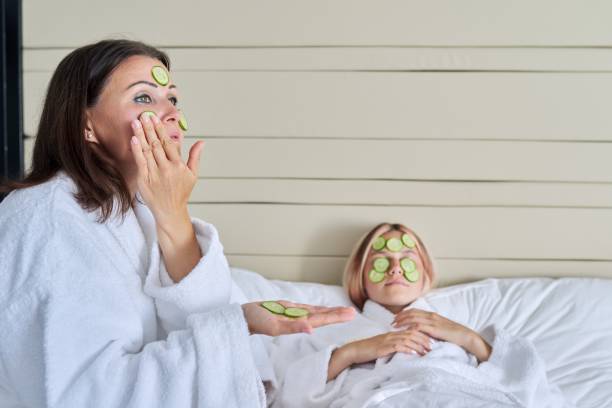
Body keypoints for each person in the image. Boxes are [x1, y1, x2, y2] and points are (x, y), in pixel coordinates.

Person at [0, 39, 354, 408]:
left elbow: (209, 324)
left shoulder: (136, 207)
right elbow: (84, 394)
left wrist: (174, 215)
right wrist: (239, 324)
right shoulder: (47, 219)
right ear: (85, 124)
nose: (170, 113)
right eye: (143, 98)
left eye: (172, 98)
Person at [269, 223, 571, 407]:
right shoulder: (336, 331)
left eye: (407, 259)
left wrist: (467, 338)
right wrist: (355, 352)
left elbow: (535, 389)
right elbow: (288, 395)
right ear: (360, 276)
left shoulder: (461, 335)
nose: (396, 268)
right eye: (381, 261)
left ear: (425, 272)